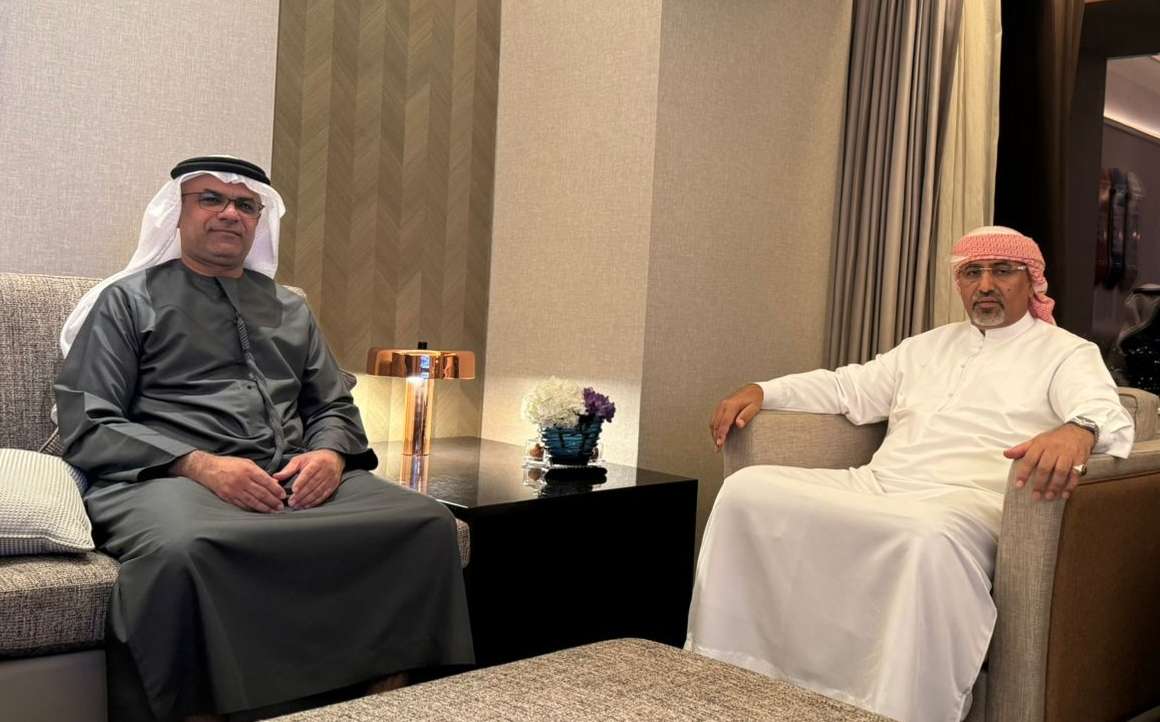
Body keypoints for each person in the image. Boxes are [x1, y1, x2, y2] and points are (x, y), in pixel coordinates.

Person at [54, 156, 473, 722]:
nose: (230, 213)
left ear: (259, 221)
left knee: (425, 521)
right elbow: (90, 416)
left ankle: (385, 695)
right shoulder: (128, 301)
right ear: (176, 213)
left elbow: (331, 403)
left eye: (246, 205)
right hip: (164, 475)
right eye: (211, 199)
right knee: (185, 550)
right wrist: (200, 465)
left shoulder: (289, 307)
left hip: (289, 470)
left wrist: (329, 454)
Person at [687, 226, 1134, 722]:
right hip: (879, 483)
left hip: (968, 503)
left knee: (925, 535)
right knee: (745, 490)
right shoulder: (927, 346)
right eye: (972, 273)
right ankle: (729, 674)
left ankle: (894, 709)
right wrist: (764, 390)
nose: (986, 285)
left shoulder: (1065, 352)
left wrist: (1079, 430)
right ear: (959, 283)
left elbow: (1106, 414)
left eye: (1002, 271)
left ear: (1032, 281)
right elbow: (846, 389)